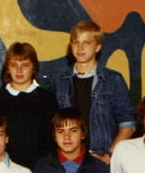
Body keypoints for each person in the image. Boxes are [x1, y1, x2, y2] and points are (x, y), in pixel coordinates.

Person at [50, 20, 135, 164]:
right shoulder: (58, 80)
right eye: (76, 42)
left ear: (98, 47)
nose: (80, 47)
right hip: (67, 160)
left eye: (87, 42)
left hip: (100, 159)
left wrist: (109, 156)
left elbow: (128, 124)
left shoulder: (112, 80)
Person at [0, 42, 57, 169]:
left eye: (25, 65)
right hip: (6, 168)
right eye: (14, 65)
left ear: (34, 68)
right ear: (7, 68)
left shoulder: (47, 98)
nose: (19, 70)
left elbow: (52, 140)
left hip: (41, 168)